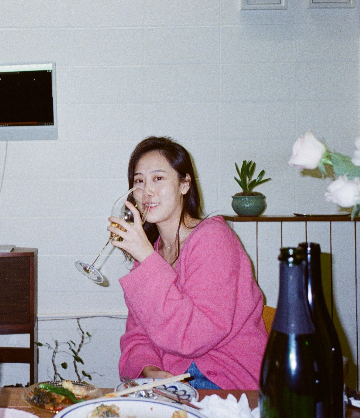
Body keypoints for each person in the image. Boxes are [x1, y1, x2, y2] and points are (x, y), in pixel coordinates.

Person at [111, 136, 267, 390]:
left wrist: (147, 259)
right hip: (173, 378)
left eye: (158, 178)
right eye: (139, 181)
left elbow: (196, 335)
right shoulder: (150, 253)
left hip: (223, 377)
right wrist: (148, 368)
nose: (147, 191)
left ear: (184, 185)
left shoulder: (213, 238)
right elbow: (137, 334)